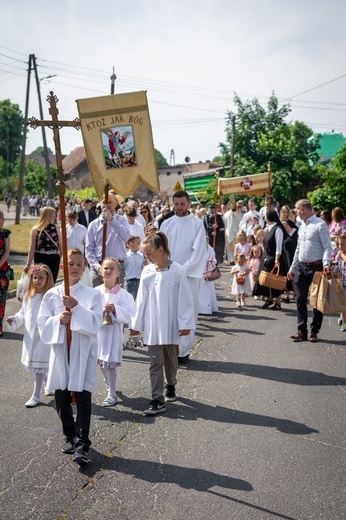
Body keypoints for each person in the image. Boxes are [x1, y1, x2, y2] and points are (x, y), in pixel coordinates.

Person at [37, 248, 103, 466]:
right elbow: (42, 323)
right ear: (63, 267)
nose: (74, 268)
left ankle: (82, 444)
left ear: (84, 267)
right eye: (71, 264)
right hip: (61, 352)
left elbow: (95, 323)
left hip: (82, 351)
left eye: (78, 264)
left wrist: (77, 308)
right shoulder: (52, 294)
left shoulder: (93, 294)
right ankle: (71, 434)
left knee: (83, 396)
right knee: (61, 397)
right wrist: (59, 320)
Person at [130, 232, 195, 415]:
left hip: (172, 324)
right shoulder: (147, 271)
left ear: (161, 249)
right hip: (153, 324)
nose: (147, 258)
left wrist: (185, 323)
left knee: (171, 361)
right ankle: (157, 399)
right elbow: (141, 299)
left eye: (149, 253)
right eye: (145, 254)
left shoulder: (177, 270)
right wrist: (136, 324)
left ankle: (171, 384)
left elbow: (185, 299)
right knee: (155, 362)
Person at [160, 191, 206, 364]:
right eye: (176, 204)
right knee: (170, 311)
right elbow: (161, 248)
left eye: (182, 204)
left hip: (189, 275)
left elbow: (199, 249)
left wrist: (183, 269)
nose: (179, 207)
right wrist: (168, 267)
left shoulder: (197, 224)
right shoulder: (166, 223)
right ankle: (170, 348)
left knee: (188, 311)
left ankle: (184, 351)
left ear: (188, 204)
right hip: (169, 273)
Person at [6, 265, 54, 407]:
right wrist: (14, 319)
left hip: (43, 337)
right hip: (30, 337)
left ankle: (35, 395)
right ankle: (48, 384)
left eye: (41, 278)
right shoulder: (29, 296)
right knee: (38, 366)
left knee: (39, 366)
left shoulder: (50, 297)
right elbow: (22, 314)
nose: (37, 280)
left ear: (47, 278)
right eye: (35, 277)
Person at [287, 199, 332, 343]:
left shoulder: (320, 225)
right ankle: (302, 330)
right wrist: (293, 267)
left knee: (316, 301)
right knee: (300, 298)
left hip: (316, 267)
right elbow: (298, 249)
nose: (295, 212)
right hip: (301, 266)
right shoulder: (302, 227)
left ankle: (314, 331)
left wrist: (326, 263)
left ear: (302, 210)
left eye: (296, 209)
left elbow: (327, 247)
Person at [95, 258, 135, 406]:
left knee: (109, 363)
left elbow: (131, 313)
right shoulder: (95, 292)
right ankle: (108, 384)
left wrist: (115, 310)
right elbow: (89, 312)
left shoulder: (124, 295)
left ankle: (112, 393)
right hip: (99, 333)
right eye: (105, 268)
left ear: (118, 272)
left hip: (113, 334)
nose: (108, 271)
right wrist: (102, 311)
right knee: (100, 363)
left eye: (112, 269)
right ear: (100, 270)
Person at [86, 191, 130, 288]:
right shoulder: (93, 225)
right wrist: (98, 267)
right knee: (98, 298)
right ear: (100, 204)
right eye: (104, 202)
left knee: (116, 298)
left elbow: (126, 236)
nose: (107, 205)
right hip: (99, 266)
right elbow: (89, 250)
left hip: (117, 266)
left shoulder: (122, 220)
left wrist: (112, 220)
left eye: (110, 202)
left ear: (115, 204)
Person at [253, 210, 289, 310]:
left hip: (275, 257)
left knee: (275, 280)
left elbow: (279, 246)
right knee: (266, 279)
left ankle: (278, 302)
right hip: (267, 256)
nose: (264, 218)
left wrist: (277, 259)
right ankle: (269, 299)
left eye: (265, 216)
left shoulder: (278, 229)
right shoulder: (269, 228)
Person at [24, 206, 62, 283]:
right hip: (40, 257)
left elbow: (60, 244)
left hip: (54, 258)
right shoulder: (36, 230)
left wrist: (61, 257)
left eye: (55, 215)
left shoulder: (56, 228)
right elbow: (32, 248)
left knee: (51, 282)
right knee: (40, 281)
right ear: (47, 215)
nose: (54, 217)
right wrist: (28, 263)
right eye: (53, 215)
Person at [198, 236, 218, 315]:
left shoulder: (210, 249)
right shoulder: (198, 248)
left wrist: (211, 260)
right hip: (199, 272)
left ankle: (207, 308)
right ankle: (200, 309)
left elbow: (214, 260)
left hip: (207, 272)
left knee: (207, 291)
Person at [223, 200, 245, 265]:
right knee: (230, 248)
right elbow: (225, 224)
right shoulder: (226, 214)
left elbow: (242, 222)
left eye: (233, 205)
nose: (232, 206)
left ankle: (239, 259)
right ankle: (231, 260)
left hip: (238, 232)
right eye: (231, 205)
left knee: (238, 246)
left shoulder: (240, 213)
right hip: (229, 232)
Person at [0, 210, 11, 336]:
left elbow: (7, 252)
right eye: (2, 218)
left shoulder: (6, 234)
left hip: (2, 271)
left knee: (1, 300)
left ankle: (0, 327)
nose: (4, 220)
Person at [125, 235, 145, 300]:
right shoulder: (126, 257)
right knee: (131, 300)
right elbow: (124, 269)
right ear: (131, 244)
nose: (140, 245)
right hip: (130, 282)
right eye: (138, 243)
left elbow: (143, 268)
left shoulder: (141, 256)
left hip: (140, 281)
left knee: (140, 300)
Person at [333, 234, 346, 331]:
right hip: (341, 281)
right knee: (342, 303)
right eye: (340, 244)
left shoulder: (342, 254)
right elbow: (335, 262)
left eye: (343, 244)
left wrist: (341, 254)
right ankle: (344, 322)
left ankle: (343, 318)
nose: (341, 246)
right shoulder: (339, 253)